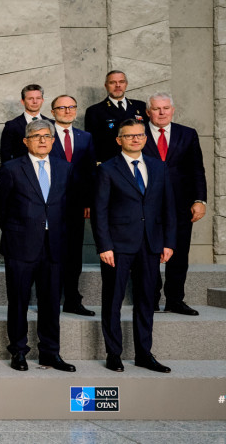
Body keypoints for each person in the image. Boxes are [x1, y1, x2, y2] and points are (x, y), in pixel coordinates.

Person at [0, 120, 76, 373]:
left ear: (53, 140)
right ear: (26, 141)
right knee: (18, 301)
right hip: (20, 246)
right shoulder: (11, 168)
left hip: (55, 246)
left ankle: (50, 353)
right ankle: (18, 352)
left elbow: (70, 206)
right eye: (36, 136)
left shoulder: (65, 168)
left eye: (47, 136)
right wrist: (19, 230)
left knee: (51, 302)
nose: (42, 140)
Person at [91, 119, 175, 373]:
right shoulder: (107, 169)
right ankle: (113, 353)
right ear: (119, 140)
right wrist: (104, 245)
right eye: (129, 136)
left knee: (146, 300)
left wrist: (168, 242)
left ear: (145, 138)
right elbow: (99, 211)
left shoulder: (159, 167)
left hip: (150, 244)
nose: (136, 139)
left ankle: (143, 354)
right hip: (117, 246)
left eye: (139, 135)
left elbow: (168, 207)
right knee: (113, 300)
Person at [141, 94, 206, 316]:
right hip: (146, 204)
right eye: (156, 109)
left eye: (165, 108)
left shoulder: (187, 134)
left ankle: (175, 300)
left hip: (180, 204)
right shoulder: (137, 132)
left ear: (173, 110)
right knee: (149, 252)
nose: (161, 112)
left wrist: (199, 200)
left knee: (178, 252)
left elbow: (197, 169)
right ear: (148, 112)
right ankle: (151, 299)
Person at [49, 95, 96, 316]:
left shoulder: (85, 137)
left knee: (74, 255)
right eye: (62, 107)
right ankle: (50, 298)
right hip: (49, 204)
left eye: (71, 107)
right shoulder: (44, 134)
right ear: (53, 111)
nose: (67, 110)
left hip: (75, 205)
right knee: (51, 252)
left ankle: (72, 299)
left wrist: (88, 201)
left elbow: (90, 172)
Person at [85, 70, 149, 163]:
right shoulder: (95, 111)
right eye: (112, 82)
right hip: (111, 163)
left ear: (126, 84)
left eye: (121, 82)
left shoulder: (140, 106)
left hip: (138, 161)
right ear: (106, 86)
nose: (118, 85)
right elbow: (92, 144)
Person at [0, 84, 52, 163]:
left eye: (38, 98)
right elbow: (5, 156)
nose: (35, 101)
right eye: (30, 98)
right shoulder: (12, 125)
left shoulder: (52, 123)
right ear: (22, 101)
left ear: (42, 100)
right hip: (22, 171)